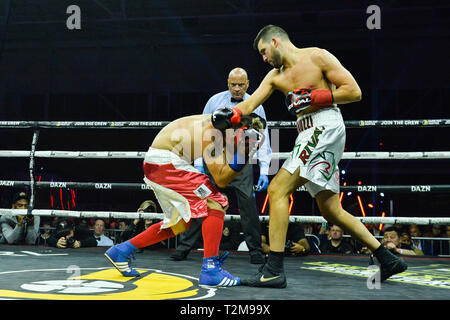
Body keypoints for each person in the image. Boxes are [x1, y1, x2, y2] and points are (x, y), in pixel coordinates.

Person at [218, 24, 407, 287]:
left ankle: (273, 268)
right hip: (306, 132)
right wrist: (230, 116)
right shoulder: (275, 77)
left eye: (263, 51)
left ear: (275, 42)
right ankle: (387, 258)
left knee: (277, 190)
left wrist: (316, 97)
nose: (263, 59)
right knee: (331, 209)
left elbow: (354, 91)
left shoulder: (317, 56)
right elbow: (249, 105)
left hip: (325, 126)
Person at [104, 110, 266, 287]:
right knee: (217, 202)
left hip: (162, 163)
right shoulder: (215, 134)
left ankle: (121, 250)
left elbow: (223, 175)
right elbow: (220, 179)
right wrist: (243, 154)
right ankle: (210, 269)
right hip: (165, 163)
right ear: (241, 132)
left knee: (179, 223)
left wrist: (243, 153)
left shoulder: (222, 129)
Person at [171, 67, 271, 264]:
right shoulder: (214, 102)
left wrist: (265, 170)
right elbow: (201, 133)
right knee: (201, 201)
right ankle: (183, 247)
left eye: (241, 85)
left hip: (241, 161)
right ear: (227, 83)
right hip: (214, 158)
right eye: (233, 84)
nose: (236, 89)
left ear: (248, 84)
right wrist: (198, 163)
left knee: (249, 206)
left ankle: (255, 251)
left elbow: (263, 138)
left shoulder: (256, 105)